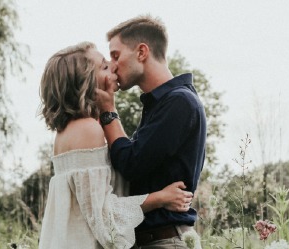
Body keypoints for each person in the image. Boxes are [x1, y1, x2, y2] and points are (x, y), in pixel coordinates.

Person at [37, 41, 194, 249]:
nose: (113, 66)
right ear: (86, 83)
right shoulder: (87, 130)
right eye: (103, 66)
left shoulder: (74, 129)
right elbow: (104, 217)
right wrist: (160, 198)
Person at [95, 15, 207, 248]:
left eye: (116, 55)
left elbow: (131, 164)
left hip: (165, 240)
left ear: (142, 52)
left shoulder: (179, 103)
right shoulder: (163, 104)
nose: (112, 65)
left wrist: (107, 112)